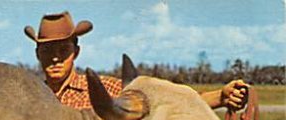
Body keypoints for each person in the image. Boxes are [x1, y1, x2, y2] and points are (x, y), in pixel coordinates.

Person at [24, 11, 248, 111]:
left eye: (63, 50)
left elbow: (163, 102)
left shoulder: (104, 89)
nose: (55, 58)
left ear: (76, 52)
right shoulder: (29, 98)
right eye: (47, 51)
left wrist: (220, 97)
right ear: (37, 54)